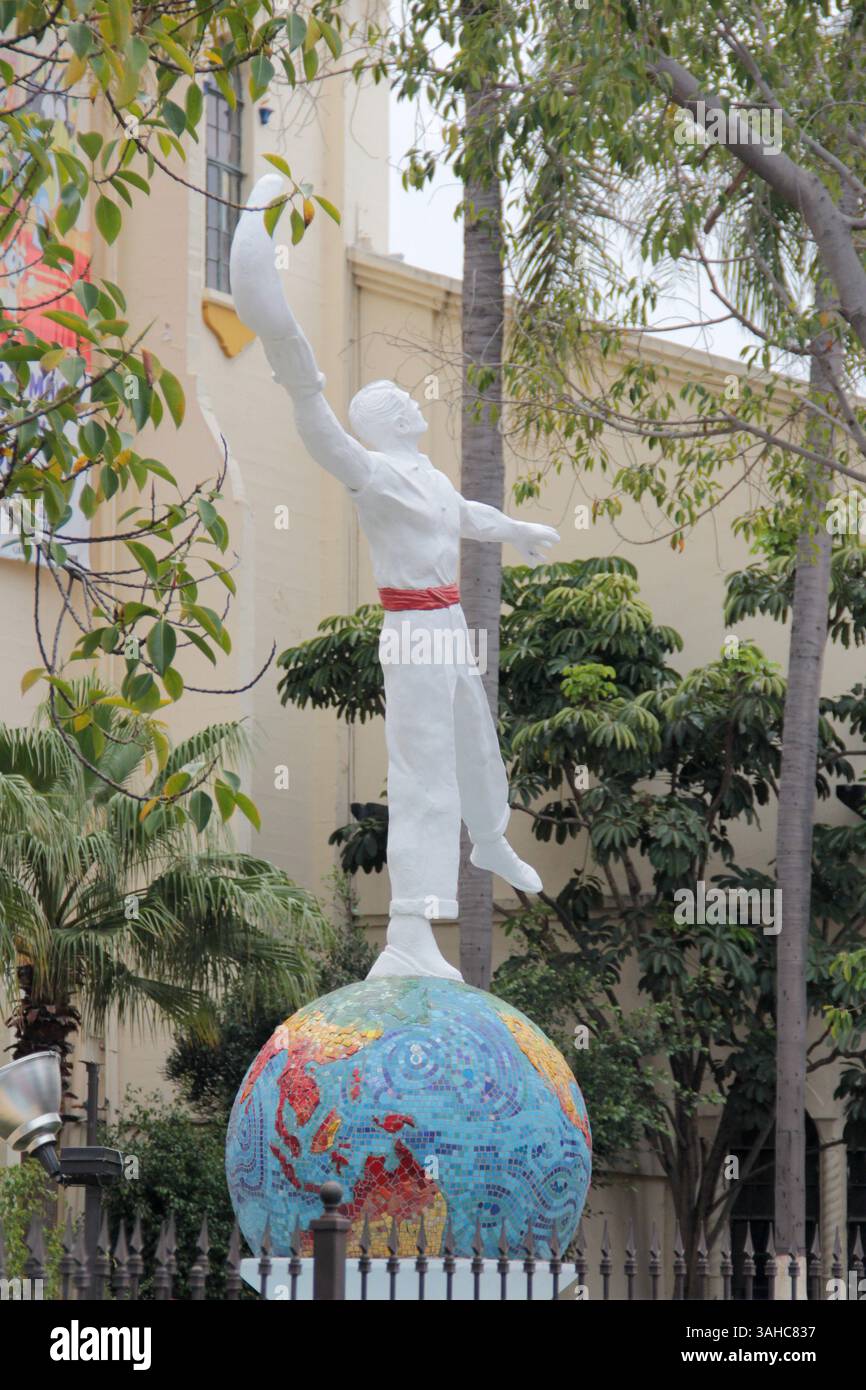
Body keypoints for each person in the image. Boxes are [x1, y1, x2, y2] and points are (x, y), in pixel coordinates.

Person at [230, 176, 559, 980]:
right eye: (397, 404)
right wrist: (262, 260)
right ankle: (411, 930)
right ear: (378, 425)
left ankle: (490, 839)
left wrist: (519, 530)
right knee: (422, 777)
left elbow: (468, 518)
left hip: (449, 627)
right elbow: (311, 410)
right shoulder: (371, 472)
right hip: (412, 630)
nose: (414, 408)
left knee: (477, 747)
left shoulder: (429, 475)